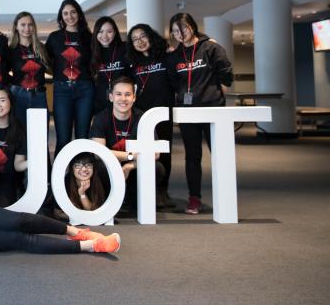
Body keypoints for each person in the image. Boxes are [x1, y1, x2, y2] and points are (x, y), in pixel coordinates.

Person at [165, 13, 233, 215]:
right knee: (192, 157)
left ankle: (226, 195)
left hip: (213, 110)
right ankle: (194, 199)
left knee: (219, 155)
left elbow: (226, 73)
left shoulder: (210, 47)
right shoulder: (174, 56)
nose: (180, 34)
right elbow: (173, 81)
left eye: (183, 28)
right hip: (188, 113)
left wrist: (218, 91)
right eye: (175, 30)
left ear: (192, 27)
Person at [91, 76, 164, 214]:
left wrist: (130, 166)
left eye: (127, 94)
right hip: (111, 167)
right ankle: (108, 200)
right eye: (118, 94)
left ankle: (134, 199)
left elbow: (155, 153)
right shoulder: (101, 118)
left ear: (134, 98)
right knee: (99, 167)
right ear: (111, 97)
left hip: (133, 168)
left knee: (157, 168)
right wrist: (130, 156)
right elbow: (98, 153)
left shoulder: (143, 118)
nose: (123, 99)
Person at [126, 23, 176, 209]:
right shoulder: (133, 63)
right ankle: (144, 190)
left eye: (143, 36)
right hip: (141, 114)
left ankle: (163, 191)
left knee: (164, 152)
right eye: (135, 39)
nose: (140, 42)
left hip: (163, 111)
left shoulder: (166, 56)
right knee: (143, 151)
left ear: (151, 36)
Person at [46, 0, 94, 154]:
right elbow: (45, 60)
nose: (69, 16)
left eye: (73, 12)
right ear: (61, 16)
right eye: (65, 13)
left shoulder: (88, 37)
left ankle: (82, 175)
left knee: (82, 137)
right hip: (62, 90)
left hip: (85, 90)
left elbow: (97, 61)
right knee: (63, 139)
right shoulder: (54, 37)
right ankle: (60, 175)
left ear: (79, 14)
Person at [8, 11, 50, 130]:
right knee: (19, 133)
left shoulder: (41, 48)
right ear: (16, 27)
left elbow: (50, 68)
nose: (27, 28)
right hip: (18, 95)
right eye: (23, 25)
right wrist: (14, 84)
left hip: (39, 95)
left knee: (40, 133)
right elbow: (3, 73)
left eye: (30, 24)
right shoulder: (11, 50)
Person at [91, 17, 129, 114]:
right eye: (100, 31)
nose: (104, 36)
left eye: (109, 31)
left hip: (123, 101)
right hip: (99, 102)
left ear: (115, 32)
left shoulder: (125, 49)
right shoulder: (91, 53)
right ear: (95, 33)